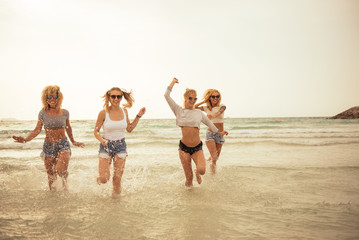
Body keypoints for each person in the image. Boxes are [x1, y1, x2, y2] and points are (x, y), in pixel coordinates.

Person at [12, 85, 85, 191]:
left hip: (63, 144)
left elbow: (68, 127)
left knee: (60, 170)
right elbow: (37, 129)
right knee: (51, 175)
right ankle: (53, 199)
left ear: (58, 97)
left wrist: (73, 141)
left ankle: (65, 185)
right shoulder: (43, 113)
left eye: (54, 97)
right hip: (48, 146)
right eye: (49, 97)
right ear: (45, 98)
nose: (52, 99)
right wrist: (25, 139)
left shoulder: (65, 112)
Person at [164, 78, 228, 187]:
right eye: (190, 98)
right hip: (184, 148)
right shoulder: (178, 110)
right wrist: (173, 82)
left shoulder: (198, 112)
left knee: (202, 170)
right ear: (185, 98)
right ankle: (189, 200)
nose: (193, 100)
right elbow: (166, 95)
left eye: (195, 98)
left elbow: (209, 123)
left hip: (197, 147)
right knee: (189, 179)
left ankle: (197, 172)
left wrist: (219, 132)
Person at [94, 87, 146, 196]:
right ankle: (97, 180)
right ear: (109, 97)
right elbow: (96, 131)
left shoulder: (124, 111)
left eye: (119, 96)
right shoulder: (103, 113)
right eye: (113, 96)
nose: (116, 99)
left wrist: (138, 116)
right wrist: (101, 140)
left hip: (121, 146)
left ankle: (116, 205)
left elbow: (130, 129)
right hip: (106, 145)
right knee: (104, 178)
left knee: (117, 180)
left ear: (121, 97)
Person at [195, 89, 226, 174]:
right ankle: (202, 168)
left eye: (217, 96)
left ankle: (207, 172)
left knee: (214, 160)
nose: (215, 98)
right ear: (209, 97)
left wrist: (212, 115)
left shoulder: (222, 106)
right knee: (214, 157)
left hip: (220, 135)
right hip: (210, 134)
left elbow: (219, 113)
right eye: (213, 96)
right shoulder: (206, 108)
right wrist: (203, 101)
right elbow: (193, 107)